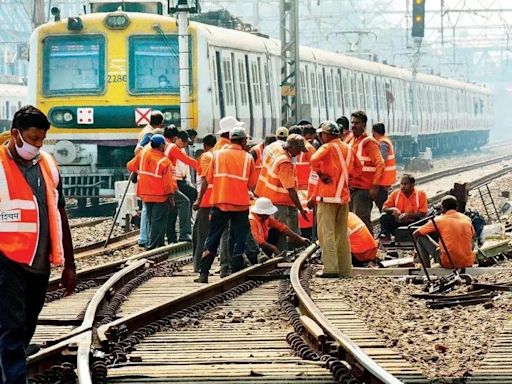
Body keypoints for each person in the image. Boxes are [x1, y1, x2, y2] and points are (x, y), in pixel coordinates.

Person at [0, 105, 77, 383]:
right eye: (33, 139)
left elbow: (60, 213)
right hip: (6, 261)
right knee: (11, 327)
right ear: (15, 134)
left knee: (27, 324)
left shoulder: (48, 164)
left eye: (42, 139)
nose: (37, 145)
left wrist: (70, 263)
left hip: (39, 262)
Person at [196, 127, 258, 283]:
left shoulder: (216, 156)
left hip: (220, 202)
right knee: (239, 238)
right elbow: (251, 184)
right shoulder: (248, 158)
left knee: (213, 238)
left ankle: (204, 273)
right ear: (243, 141)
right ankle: (236, 270)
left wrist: (200, 198)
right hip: (240, 205)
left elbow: (208, 179)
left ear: (230, 139)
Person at [309, 120, 356, 277]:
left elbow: (313, 160)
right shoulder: (348, 149)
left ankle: (330, 268)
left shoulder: (327, 147)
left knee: (326, 232)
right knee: (342, 233)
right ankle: (344, 268)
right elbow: (359, 168)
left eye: (322, 134)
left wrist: (322, 174)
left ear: (327, 134)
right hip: (343, 197)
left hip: (328, 197)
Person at [255, 134, 310, 252]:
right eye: (299, 150)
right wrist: (301, 209)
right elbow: (290, 189)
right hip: (278, 199)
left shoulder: (276, 146)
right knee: (280, 229)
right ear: (292, 147)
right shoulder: (285, 162)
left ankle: (293, 249)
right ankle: (282, 254)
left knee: (290, 225)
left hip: (269, 193)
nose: (299, 154)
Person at [127, 134, 176, 249]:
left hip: (145, 194)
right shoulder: (164, 161)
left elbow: (130, 166)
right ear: (160, 146)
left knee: (150, 219)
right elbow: (168, 183)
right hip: (160, 195)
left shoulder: (143, 154)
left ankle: (155, 243)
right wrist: (171, 197)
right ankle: (154, 245)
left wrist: (140, 171)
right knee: (158, 221)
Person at [348, 110, 385, 233]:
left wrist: (375, 186)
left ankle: (369, 248)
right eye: (352, 122)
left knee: (362, 220)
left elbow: (380, 164)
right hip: (352, 188)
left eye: (357, 123)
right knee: (352, 221)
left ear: (364, 124)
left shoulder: (369, 142)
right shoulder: (351, 141)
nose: (353, 125)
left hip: (363, 189)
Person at [413, 195, 475, 268]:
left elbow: (416, 233)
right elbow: (473, 235)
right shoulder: (466, 219)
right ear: (457, 207)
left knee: (420, 238)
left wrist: (416, 251)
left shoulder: (439, 220)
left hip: (448, 262)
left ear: (443, 208)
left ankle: (426, 269)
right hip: (467, 262)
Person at [163, 129, 197, 243]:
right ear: (176, 138)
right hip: (173, 181)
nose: (185, 144)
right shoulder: (173, 148)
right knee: (185, 202)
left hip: (172, 181)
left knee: (172, 209)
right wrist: (203, 167)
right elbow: (188, 161)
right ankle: (185, 233)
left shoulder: (168, 146)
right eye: (184, 141)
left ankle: (171, 237)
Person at [192, 134, 216, 272]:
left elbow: (204, 180)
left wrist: (198, 200)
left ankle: (198, 266)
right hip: (219, 200)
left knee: (200, 236)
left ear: (205, 146)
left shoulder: (205, 157)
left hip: (206, 201)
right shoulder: (219, 155)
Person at [380, 174, 428, 240]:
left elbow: (423, 213)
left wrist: (408, 215)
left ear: (412, 185)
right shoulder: (395, 193)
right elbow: (384, 208)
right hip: (398, 222)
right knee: (384, 216)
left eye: (405, 184)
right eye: (401, 184)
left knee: (425, 220)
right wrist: (394, 209)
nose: (402, 186)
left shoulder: (421, 194)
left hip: (414, 222)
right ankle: (385, 236)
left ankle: (419, 237)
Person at [372, 122, 397, 211]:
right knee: (382, 202)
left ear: (374, 132)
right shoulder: (385, 140)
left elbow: (381, 160)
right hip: (385, 179)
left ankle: (387, 221)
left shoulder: (382, 143)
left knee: (382, 204)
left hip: (383, 179)